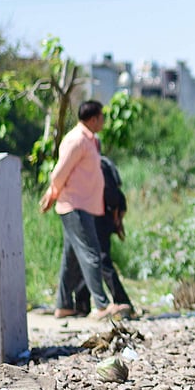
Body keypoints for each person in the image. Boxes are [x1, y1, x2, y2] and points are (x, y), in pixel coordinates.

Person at [39, 100, 130, 320]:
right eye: (101, 117)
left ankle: (63, 305)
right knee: (92, 254)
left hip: (84, 205)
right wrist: (52, 194)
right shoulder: (76, 140)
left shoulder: (91, 140)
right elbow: (59, 174)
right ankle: (101, 305)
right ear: (92, 119)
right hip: (74, 206)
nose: (103, 121)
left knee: (71, 259)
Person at [70, 155, 131, 312]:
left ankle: (121, 301)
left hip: (98, 217)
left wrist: (115, 219)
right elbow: (117, 197)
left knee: (99, 259)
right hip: (100, 216)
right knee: (89, 257)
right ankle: (82, 305)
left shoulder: (97, 164)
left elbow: (112, 197)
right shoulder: (103, 163)